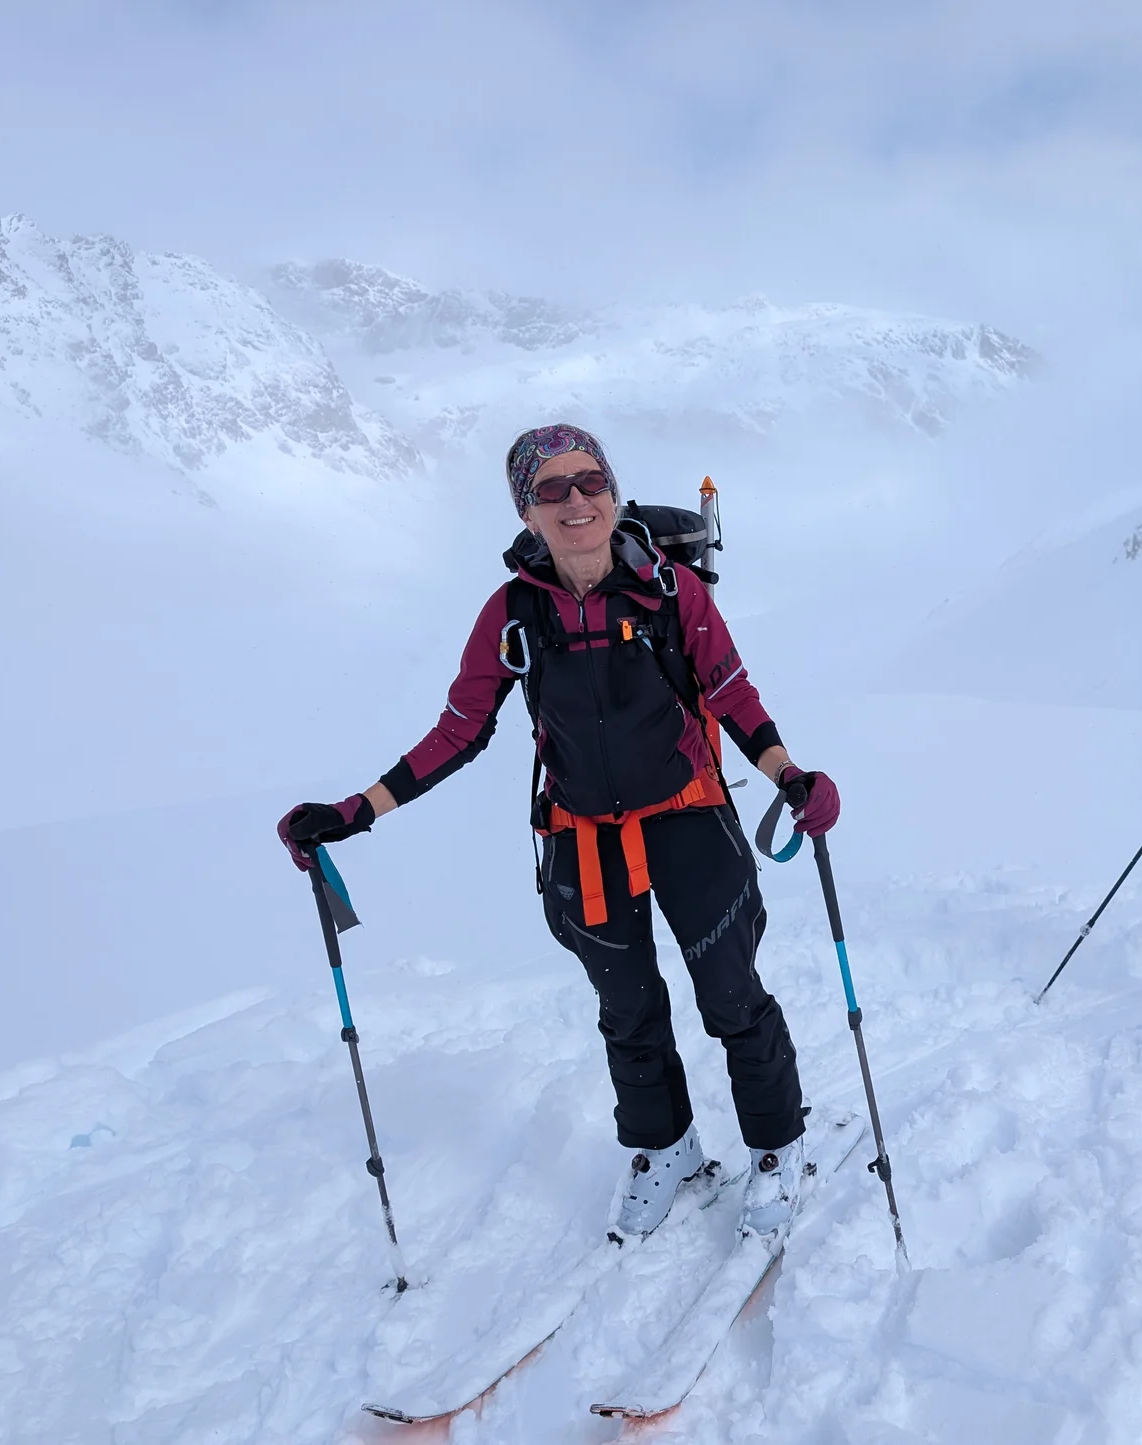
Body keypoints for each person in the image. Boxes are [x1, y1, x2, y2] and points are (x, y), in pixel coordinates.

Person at [276, 423, 837, 1242]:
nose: (577, 500)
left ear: (611, 490)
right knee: (627, 1007)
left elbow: (732, 694)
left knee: (731, 995)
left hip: (689, 816)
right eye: (552, 489)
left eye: (591, 481)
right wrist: (356, 811)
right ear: (528, 513)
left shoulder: (675, 591)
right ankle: (666, 1147)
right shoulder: (513, 614)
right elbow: (460, 730)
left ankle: (779, 1146)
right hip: (582, 836)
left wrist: (791, 776)